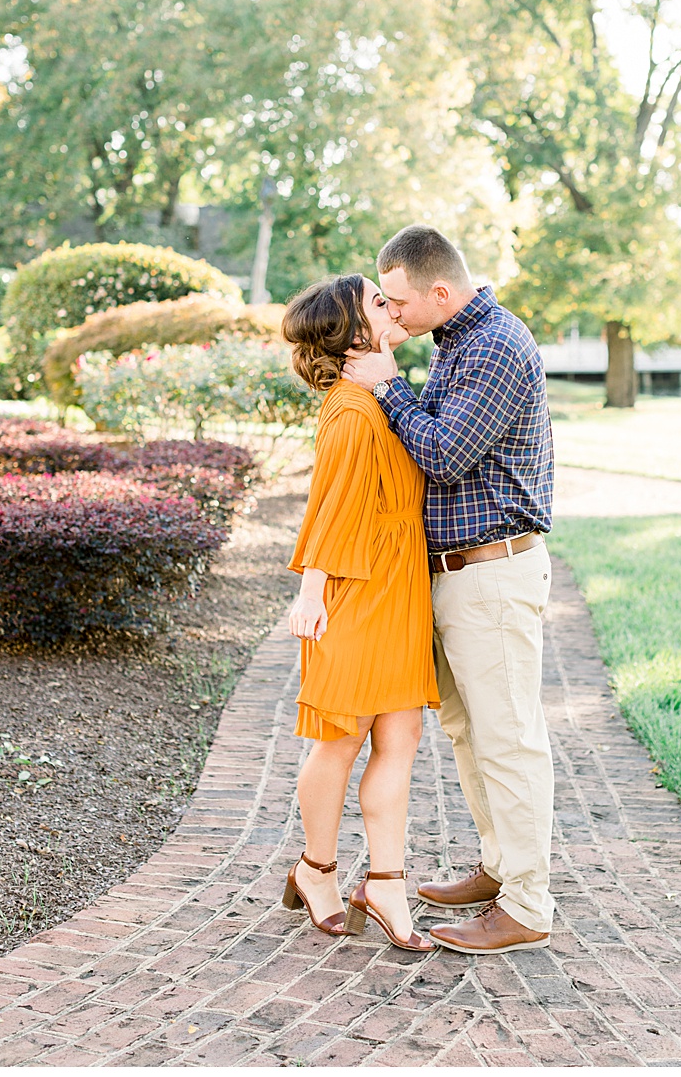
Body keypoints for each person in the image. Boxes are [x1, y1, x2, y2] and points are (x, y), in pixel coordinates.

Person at [340, 224, 557, 955]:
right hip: (459, 574)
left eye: (397, 302)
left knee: (509, 741)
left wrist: (387, 385)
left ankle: (527, 904)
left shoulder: (494, 344)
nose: (391, 315)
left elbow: (446, 452)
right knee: (472, 734)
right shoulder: (458, 342)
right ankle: (499, 869)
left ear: (440, 291)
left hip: (491, 571)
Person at [280, 274, 439, 954]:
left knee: (400, 739)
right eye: (380, 302)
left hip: (400, 587)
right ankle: (316, 869)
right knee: (342, 740)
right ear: (353, 336)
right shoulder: (351, 408)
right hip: (356, 587)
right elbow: (333, 502)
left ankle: (387, 883)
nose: (393, 307)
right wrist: (313, 588)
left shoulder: (383, 396)